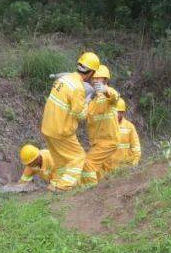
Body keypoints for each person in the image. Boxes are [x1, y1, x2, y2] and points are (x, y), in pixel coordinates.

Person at [40, 51, 99, 190]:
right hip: (61, 131)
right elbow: (80, 115)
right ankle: (63, 187)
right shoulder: (78, 89)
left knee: (61, 161)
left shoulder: (63, 79)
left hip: (48, 128)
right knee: (78, 157)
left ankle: (56, 183)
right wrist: (88, 100)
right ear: (90, 73)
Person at [84, 64, 122, 183]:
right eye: (93, 78)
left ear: (105, 80)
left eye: (98, 78)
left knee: (88, 164)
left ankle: (88, 191)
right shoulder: (92, 100)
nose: (95, 80)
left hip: (108, 141)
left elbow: (115, 97)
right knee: (99, 169)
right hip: (96, 143)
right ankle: (100, 191)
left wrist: (106, 90)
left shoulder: (108, 95)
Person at [114, 99, 141, 167]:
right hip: (109, 166)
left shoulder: (129, 126)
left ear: (123, 113)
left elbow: (135, 145)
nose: (117, 114)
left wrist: (135, 160)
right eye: (116, 112)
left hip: (125, 165)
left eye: (120, 112)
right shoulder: (106, 126)